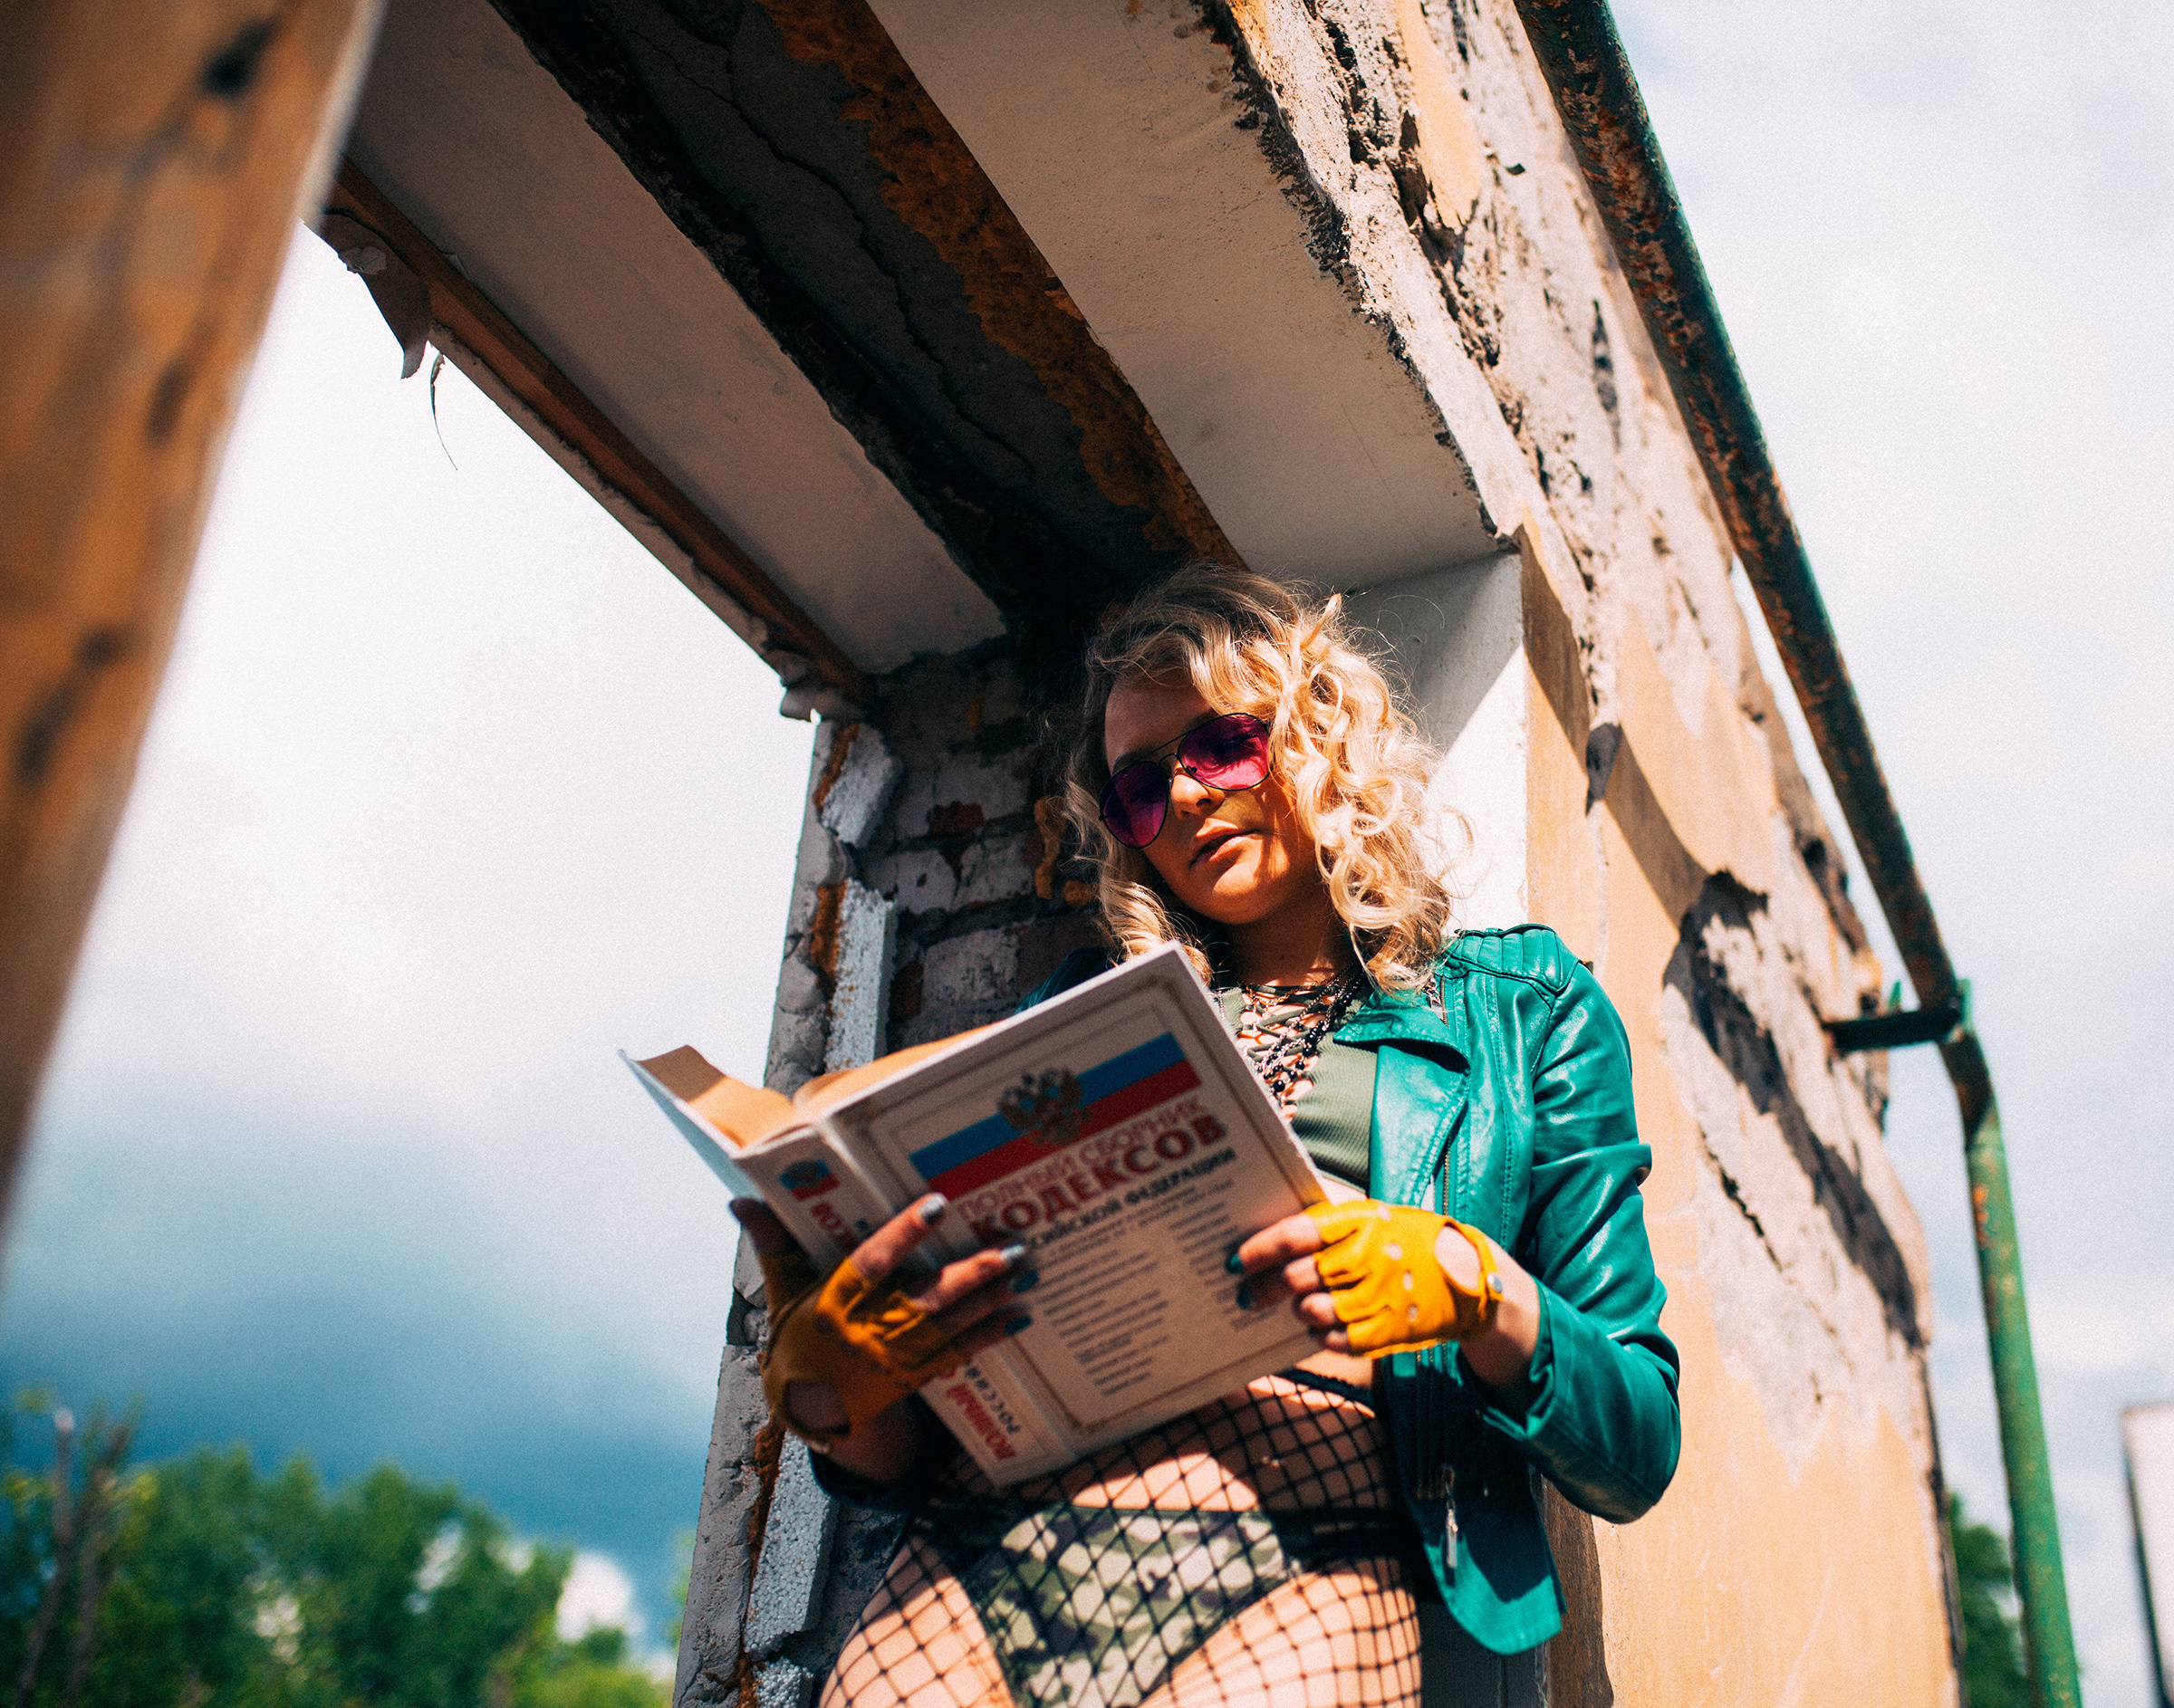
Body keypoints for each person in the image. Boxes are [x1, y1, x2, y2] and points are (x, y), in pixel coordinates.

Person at [730, 566, 1680, 1708]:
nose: (1180, 798)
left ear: (1322, 736)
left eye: (1222, 745)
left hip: (1310, 1534)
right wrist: (845, 1403)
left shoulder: (1521, 1004)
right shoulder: (1085, 1011)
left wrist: (1474, 1284)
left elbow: (1635, 1438)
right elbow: (924, 1437)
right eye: (1137, 787)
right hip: (993, 1538)